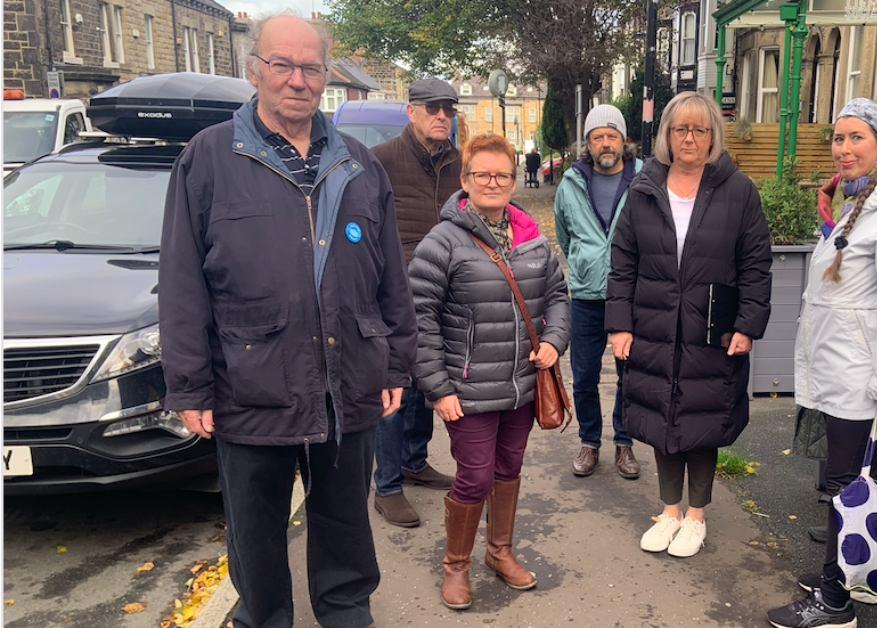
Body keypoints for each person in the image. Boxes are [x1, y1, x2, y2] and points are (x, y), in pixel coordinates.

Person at [159, 14, 416, 627]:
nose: (297, 81)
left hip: (347, 380)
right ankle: (265, 617)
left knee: (346, 525)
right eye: (283, 65)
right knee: (255, 532)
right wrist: (189, 384)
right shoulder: (209, 158)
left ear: (325, 75)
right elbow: (182, 280)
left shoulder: (357, 163)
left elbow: (390, 277)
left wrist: (397, 361)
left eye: (310, 67)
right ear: (255, 70)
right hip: (252, 384)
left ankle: (346, 612)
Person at [767, 98, 877, 628]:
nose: (843, 150)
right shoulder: (866, 200)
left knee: (848, 483)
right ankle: (860, 574)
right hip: (847, 366)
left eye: (856, 138)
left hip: (867, 375)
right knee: (862, 481)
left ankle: (834, 601)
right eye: (838, 139)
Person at [606, 91, 772, 559]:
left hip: (711, 326)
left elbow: (756, 264)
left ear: (713, 135)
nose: (690, 138)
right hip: (655, 322)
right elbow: (623, 263)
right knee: (663, 415)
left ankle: (696, 515)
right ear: (667, 134)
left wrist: (748, 324)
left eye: (700, 129)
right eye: (681, 129)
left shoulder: (737, 191)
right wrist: (620, 325)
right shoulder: (644, 188)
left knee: (702, 417)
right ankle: (669, 511)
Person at [408, 133, 570, 610]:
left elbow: (558, 296)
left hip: (521, 385)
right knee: (474, 477)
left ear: (514, 180)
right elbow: (419, 317)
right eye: (483, 174)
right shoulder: (443, 241)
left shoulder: (532, 236)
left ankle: (499, 552)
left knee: (508, 469)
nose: (493, 182)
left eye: (502, 174)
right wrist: (437, 387)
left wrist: (555, 343)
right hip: (468, 387)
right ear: (465, 180)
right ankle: (455, 564)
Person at [369, 78, 462, 528]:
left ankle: (414, 460)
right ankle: (386, 485)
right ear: (412, 112)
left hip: (443, 294)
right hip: (393, 295)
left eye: (448, 108)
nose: (441, 115)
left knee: (426, 384)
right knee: (393, 388)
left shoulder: (461, 164)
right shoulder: (382, 160)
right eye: (432, 108)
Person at [555, 104, 644, 479]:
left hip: (631, 295)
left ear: (623, 140)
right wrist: (584, 262)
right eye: (597, 137)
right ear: (588, 144)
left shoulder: (644, 179)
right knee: (585, 373)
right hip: (587, 297)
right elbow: (564, 235)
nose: (605, 144)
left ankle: (625, 443)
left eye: (611, 136)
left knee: (632, 374)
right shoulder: (570, 183)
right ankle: (590, 442)